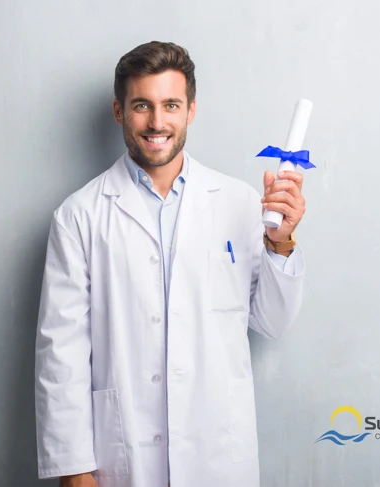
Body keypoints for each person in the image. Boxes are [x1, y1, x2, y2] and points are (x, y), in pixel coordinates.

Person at [35, 41, 306, 487]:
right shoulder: (79, 217)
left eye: (171, 105)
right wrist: (74, 468)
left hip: (217, 452)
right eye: (142, 105)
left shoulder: (239, 203)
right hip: (122, 456)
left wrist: (281, 243)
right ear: (120, 111)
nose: (157, 122)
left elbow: (273, 323)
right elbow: (59, 355)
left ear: (191, 110)